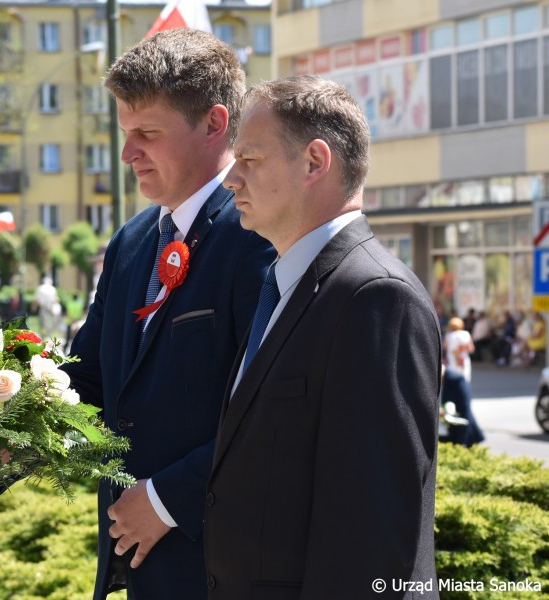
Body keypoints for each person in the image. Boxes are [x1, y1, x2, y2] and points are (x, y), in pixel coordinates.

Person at [205, 76, 441, 597]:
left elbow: (375, 532)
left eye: (249, 159)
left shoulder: (376, 298)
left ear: (315, 161)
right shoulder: (285, 286)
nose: (230, 180)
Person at [60, 29, 274, 599]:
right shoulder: (132, 240)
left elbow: (270, 411)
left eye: (147, 134)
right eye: (125, 134)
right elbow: (90, 379)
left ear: (214, 124)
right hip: (136, 567)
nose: (129, 154)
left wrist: (164, 501)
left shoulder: (259, 235)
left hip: (217, 565)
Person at [444, 316, 474, 382]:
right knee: (464, 381)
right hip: (463, 361)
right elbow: (471, 349)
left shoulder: (449, 335)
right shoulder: (466, 334)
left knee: (452, 382)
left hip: (452, 360)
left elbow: (445, 347)